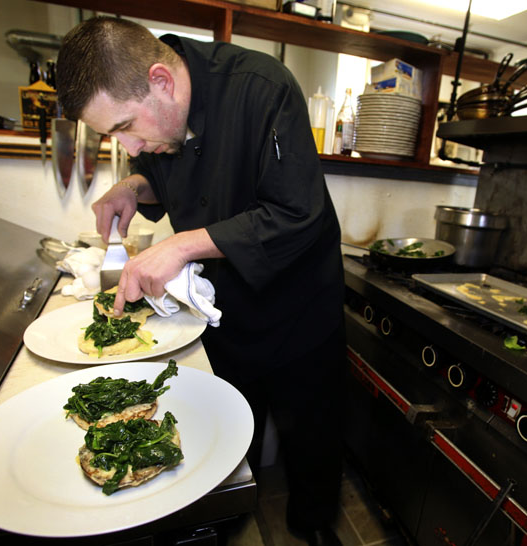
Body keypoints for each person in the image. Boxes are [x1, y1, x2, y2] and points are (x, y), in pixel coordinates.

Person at [56, 17, 346, 546]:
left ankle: (314, 525)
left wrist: (181, 244)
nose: (131, 145)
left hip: (300, 307)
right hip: (228, 312)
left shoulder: (262, 89)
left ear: (162, 81)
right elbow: (172, 176)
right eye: (112, 136)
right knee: (234, 431)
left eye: (124, 126)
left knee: (313, 435)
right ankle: (231, 521)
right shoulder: (161, 121)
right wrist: (132, 186)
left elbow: (298, 213)